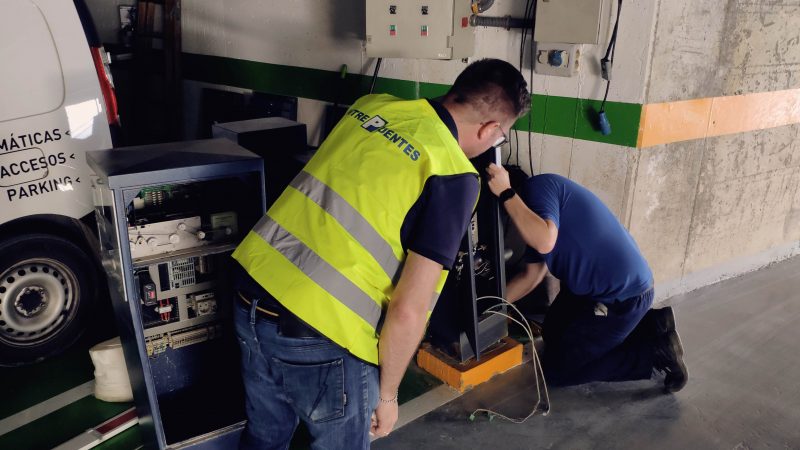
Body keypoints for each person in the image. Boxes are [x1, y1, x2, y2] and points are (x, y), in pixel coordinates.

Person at [232, 58, 530, 449]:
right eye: (501, 137)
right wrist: (388, 398)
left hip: (250, 293)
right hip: (323, 331)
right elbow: (409, 308)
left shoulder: (373, 107)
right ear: (491, 129)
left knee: (264, 438)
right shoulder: (454, 176)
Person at [484, 166, 688, 393]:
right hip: (589, 289)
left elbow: (545, 242)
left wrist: (505, 193)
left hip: (622, 297)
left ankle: (653, 353)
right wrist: (487, 309)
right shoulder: (534, 218)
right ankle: (654, 323)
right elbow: (532, 276)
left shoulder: (539, 187)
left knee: (559, 371)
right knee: (552, 332)